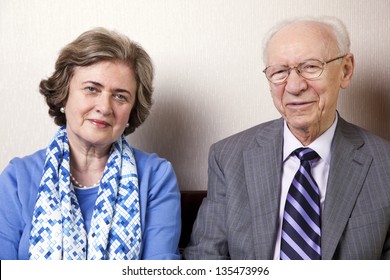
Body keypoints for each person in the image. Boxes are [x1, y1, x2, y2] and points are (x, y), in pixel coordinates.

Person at [184, 16, 390, 260]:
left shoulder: (383, 164)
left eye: (311, 67)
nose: (294, 86)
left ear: (345, 70)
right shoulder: (228, 157)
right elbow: (205, 258)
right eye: (280, 72)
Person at [0, 28, 181, 260]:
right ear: (64, 93)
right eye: (92, 89)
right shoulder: (17, 178)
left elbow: (159, 269)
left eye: (120, 96)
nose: (105, 107)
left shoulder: (155, 177)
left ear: (132, 109)